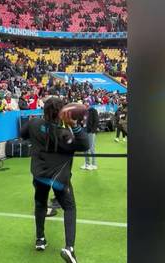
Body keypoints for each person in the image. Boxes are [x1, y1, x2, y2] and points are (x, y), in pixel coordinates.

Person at [21, 97, 89, 263]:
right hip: (59, 178)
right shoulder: (64, 134)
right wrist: (74, 125)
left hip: (40, 175)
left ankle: (40, 239)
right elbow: (85, 144)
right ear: (62, 113)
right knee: (69, 208)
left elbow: (23, 134)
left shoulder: (34, 123)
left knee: (40, 204)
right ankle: (69, 248)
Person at [81, 100, 99, 170]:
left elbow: (96, 120)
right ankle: (87, 163)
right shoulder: (83, 112)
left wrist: (93, 130)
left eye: (86, 103)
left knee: (91, 148)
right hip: (84, 130)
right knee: (85, 148)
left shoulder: (93, 110)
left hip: (91, 132)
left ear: (89, 104)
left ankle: (94, 164)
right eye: (84, 103)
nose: (85, 104)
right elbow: (82, 121)